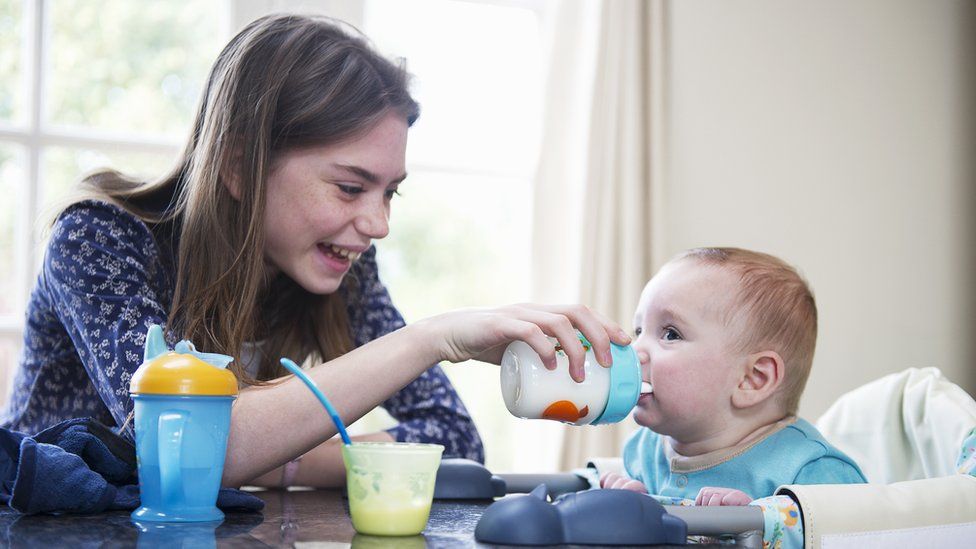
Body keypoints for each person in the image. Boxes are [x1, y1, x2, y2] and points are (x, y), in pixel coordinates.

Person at [1, 14, 630, 488]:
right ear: (240, 166)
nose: (378, 224)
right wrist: (430, 338)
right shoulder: (101, 240)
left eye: (391, 195)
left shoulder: (332, 264)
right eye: (352, 187)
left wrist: (277, 459)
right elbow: (182, 452)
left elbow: (453, 440)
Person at [601, 247, 866, 505]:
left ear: (752, 379)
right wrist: (630, 506)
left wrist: (759, 530)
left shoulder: (813, 475)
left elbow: (858, 536)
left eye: (671, 334)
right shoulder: (642, 450)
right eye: (638, 331)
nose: (635, 351)